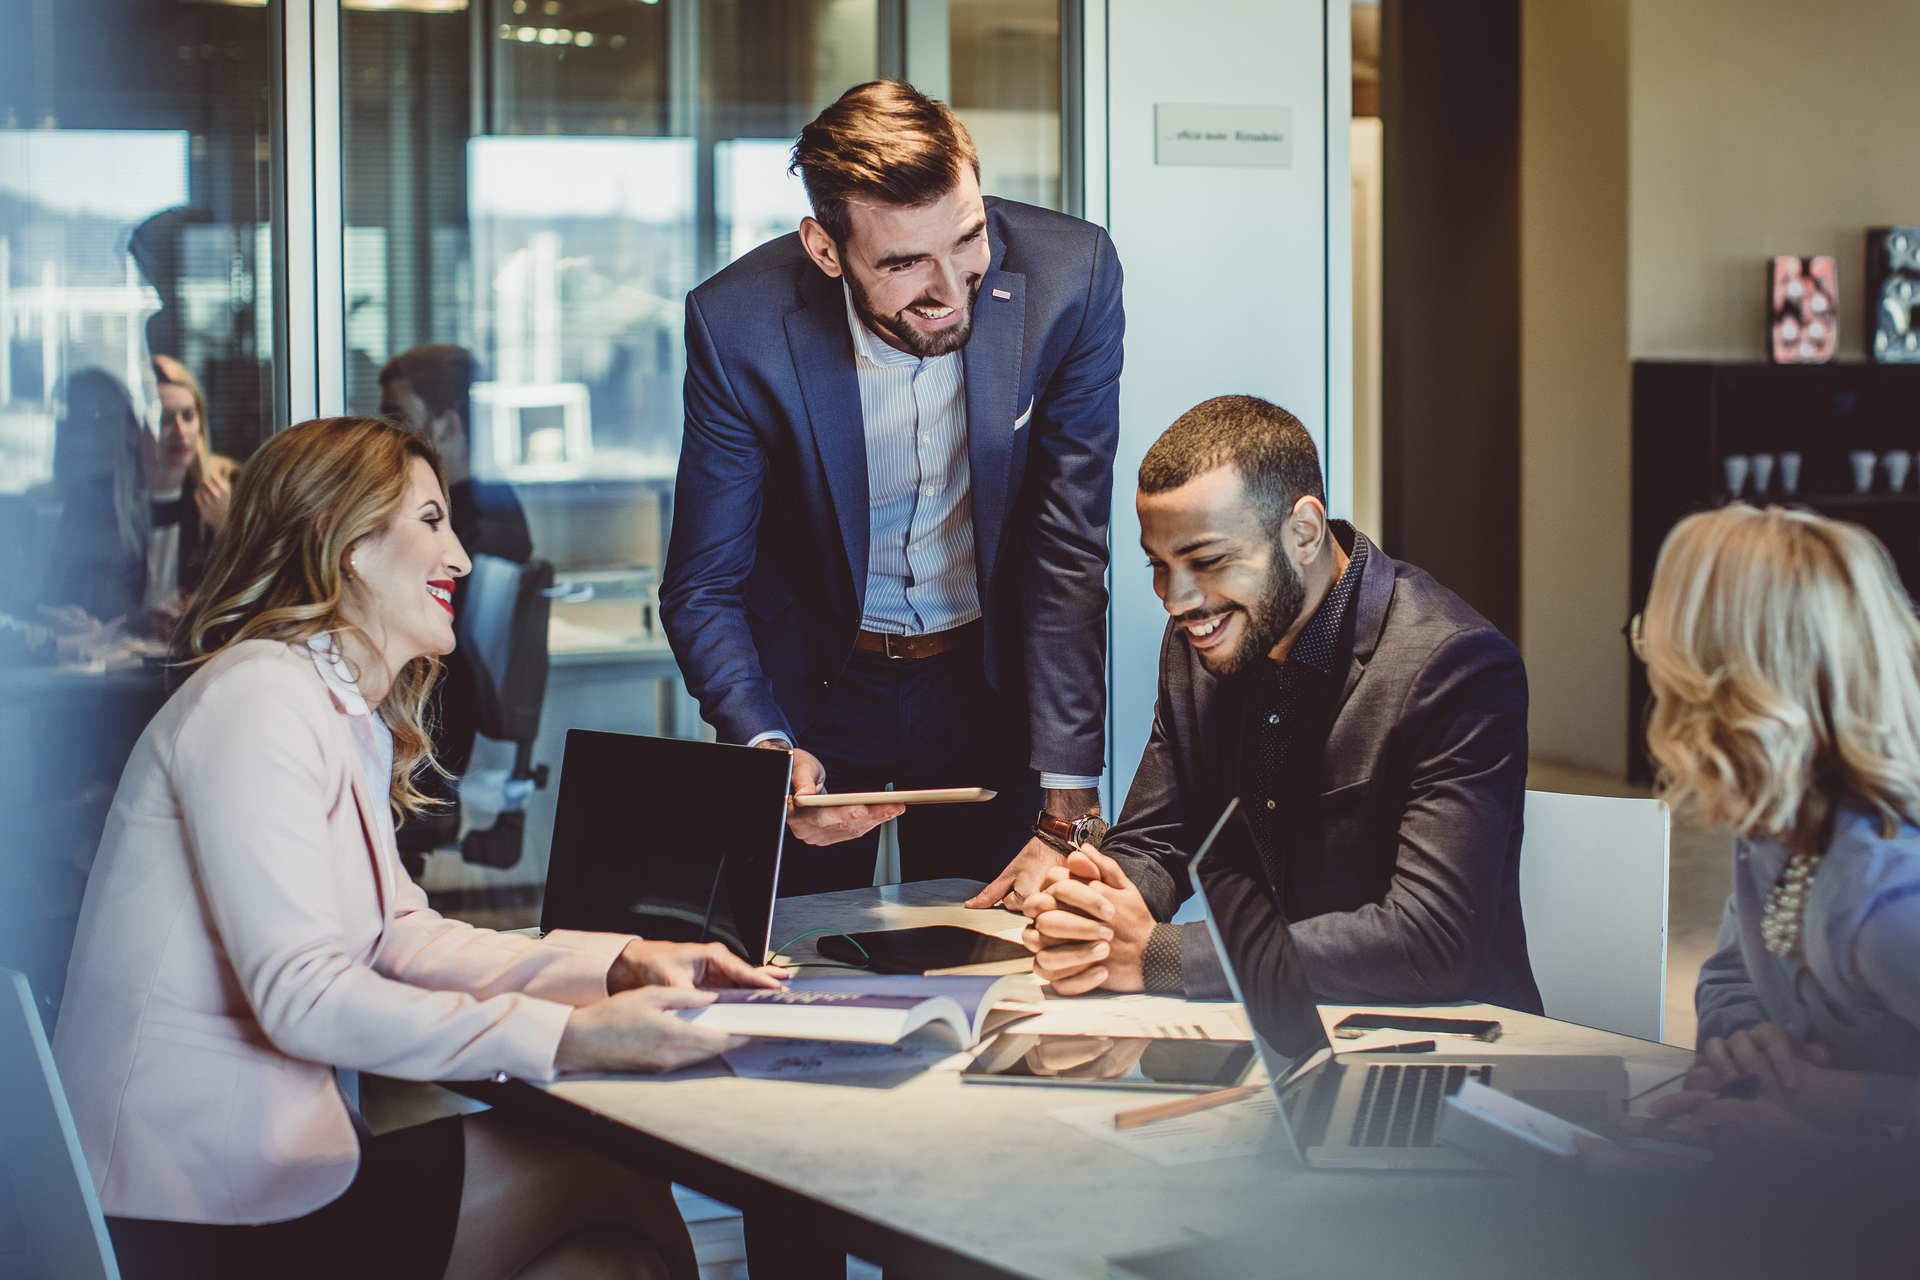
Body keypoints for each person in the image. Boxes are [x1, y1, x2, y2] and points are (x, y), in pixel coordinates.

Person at [53, 416, 780, 1280]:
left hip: (258, 1185)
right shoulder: (257, 701)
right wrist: (570, 1039)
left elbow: (403, 935)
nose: (462, 559)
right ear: (345, 543)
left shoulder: (330, 709)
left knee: (612, 1264)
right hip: (186, 1216)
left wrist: (620, 964)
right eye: (431, 522)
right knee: (618, 1161)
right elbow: (300, 996)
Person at [660, 80, 1123, 900]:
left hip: (986, 684)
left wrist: (1070, 795)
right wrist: (766, 748)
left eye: (969, 240)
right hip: (812, 693)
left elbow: (1067, 550)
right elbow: (703, 584)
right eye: (906, 263)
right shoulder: (738, 326)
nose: (951, 290)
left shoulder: (1070, 280)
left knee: (1010, 962)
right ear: (826, 250)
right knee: (797, 965)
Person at [1020, 395, 1542, 1010]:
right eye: (1158, 564)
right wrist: (1095, 907)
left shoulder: (1456, 667)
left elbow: (1430, 942)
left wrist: (1159, 955)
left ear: (1303, 531)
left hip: (1445, 1052)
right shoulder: (1202, 640)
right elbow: (1156, 840)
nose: (1176, 599)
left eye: (1207, 560)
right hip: (1278, 1037)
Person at [1607, 505, 1920, 1157]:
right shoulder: (1778, 827)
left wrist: (1822, 1126)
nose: (1647, 660)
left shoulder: (1888, 900)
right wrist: (1747, 1044)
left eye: (1652, 638)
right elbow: (1732, 976)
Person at [378, 343, 535, 864]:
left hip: (430, 751)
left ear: (445, 426)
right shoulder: (489, 509)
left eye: (398, 420)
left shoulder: (477, 532)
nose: (386, 441)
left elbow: (440, 664)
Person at [38, 357, 235, 641]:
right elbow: (57, 598)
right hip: (114, 667)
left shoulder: (226, 491)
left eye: (189, 416)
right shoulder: (94, 500)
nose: (181, 432)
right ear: (133, 429)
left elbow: (254, 597)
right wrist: (135, 620)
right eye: (165, 420)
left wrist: (225, 530)